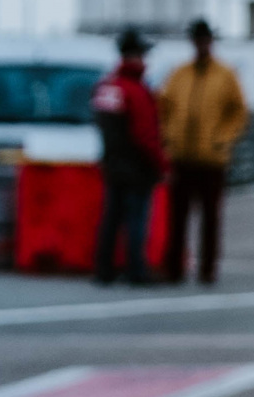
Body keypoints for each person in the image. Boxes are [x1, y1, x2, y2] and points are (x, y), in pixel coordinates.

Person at [160, 19, 249, 285]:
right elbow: (164, 107)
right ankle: (174, 269)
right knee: (177, 218)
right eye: (197, 40)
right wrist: (169, 138)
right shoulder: (179, 74)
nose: (200, 44)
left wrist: (222, 139)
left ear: (210, 42)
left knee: (210, 219)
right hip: (182, 157)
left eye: (204, 40)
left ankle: (207, 269)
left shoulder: (225, 75)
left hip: (211, 159)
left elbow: (239, 111)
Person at [91, 29, 166, 285]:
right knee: (136, 221)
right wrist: (160, 164)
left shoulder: (106, 87)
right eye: (142, 56)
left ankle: (104, 269)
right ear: (133, 56)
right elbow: (145, 135)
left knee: (111, 220)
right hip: (137, 168)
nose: (145, 61)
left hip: (112, 165)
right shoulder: (136, 91)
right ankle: (136, 270)